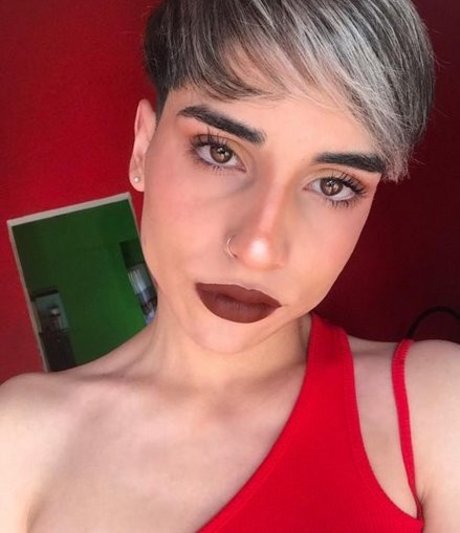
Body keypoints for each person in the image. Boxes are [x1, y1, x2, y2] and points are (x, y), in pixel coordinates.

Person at [1, 0, 459, 531]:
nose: (259, 248)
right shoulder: (21, 442)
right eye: (219, 152)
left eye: (334, 184)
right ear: (142, 149)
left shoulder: (436, 407)